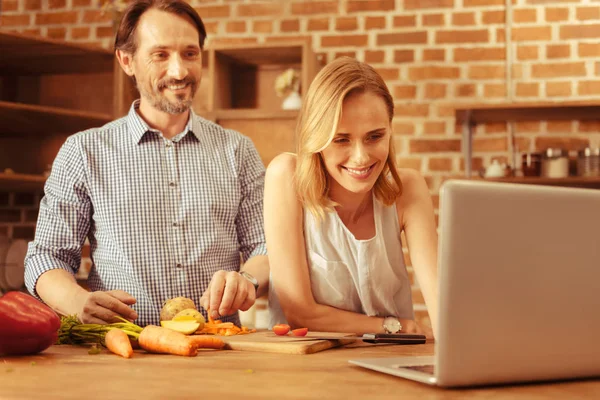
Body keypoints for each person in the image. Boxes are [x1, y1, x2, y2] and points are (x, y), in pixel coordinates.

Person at [24, 0, 269, 327]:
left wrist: (248, 279)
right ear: (127, 61)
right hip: (122, 351)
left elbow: (266, 247)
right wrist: (76, 300)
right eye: (161, 54)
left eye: (190, 53)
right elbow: (46, 256)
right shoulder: (84, 151)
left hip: (218, 350)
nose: (179, 71)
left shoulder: (238, 151)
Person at [264, 57, 438, 338]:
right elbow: (300, 313)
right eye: (341, 139)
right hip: (305, 369)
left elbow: (441, 308)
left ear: (390, 130)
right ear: (316, 138)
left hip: (391, 362)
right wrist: (397, 327)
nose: (361, 157)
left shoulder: (409, 189)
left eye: (374, 137)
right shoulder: (286, 177)